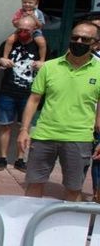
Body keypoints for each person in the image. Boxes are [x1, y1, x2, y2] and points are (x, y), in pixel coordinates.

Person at [18, 19, 100, 201]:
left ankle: (68, 229)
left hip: (79, 138)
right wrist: (24, 129)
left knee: (73, 189)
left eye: (85, 39)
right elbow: (34, 99)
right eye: (75, 37)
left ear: (95, 44)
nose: (78, 42)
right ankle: (28, 224)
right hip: (44, 135)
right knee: (34, 184)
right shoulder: (49, 67)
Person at [0, 14, 46, 171]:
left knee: (25, 126)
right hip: (8, 91)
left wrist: (43, 64)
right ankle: (2, 158)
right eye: (20, 29)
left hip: (30, 94)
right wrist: (0, 62)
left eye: (26, 30)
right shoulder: (10, 42)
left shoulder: (38, 44)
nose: (23, 33)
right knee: (5, 125)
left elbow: (49, 67)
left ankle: (20, 159)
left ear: (34, 30)